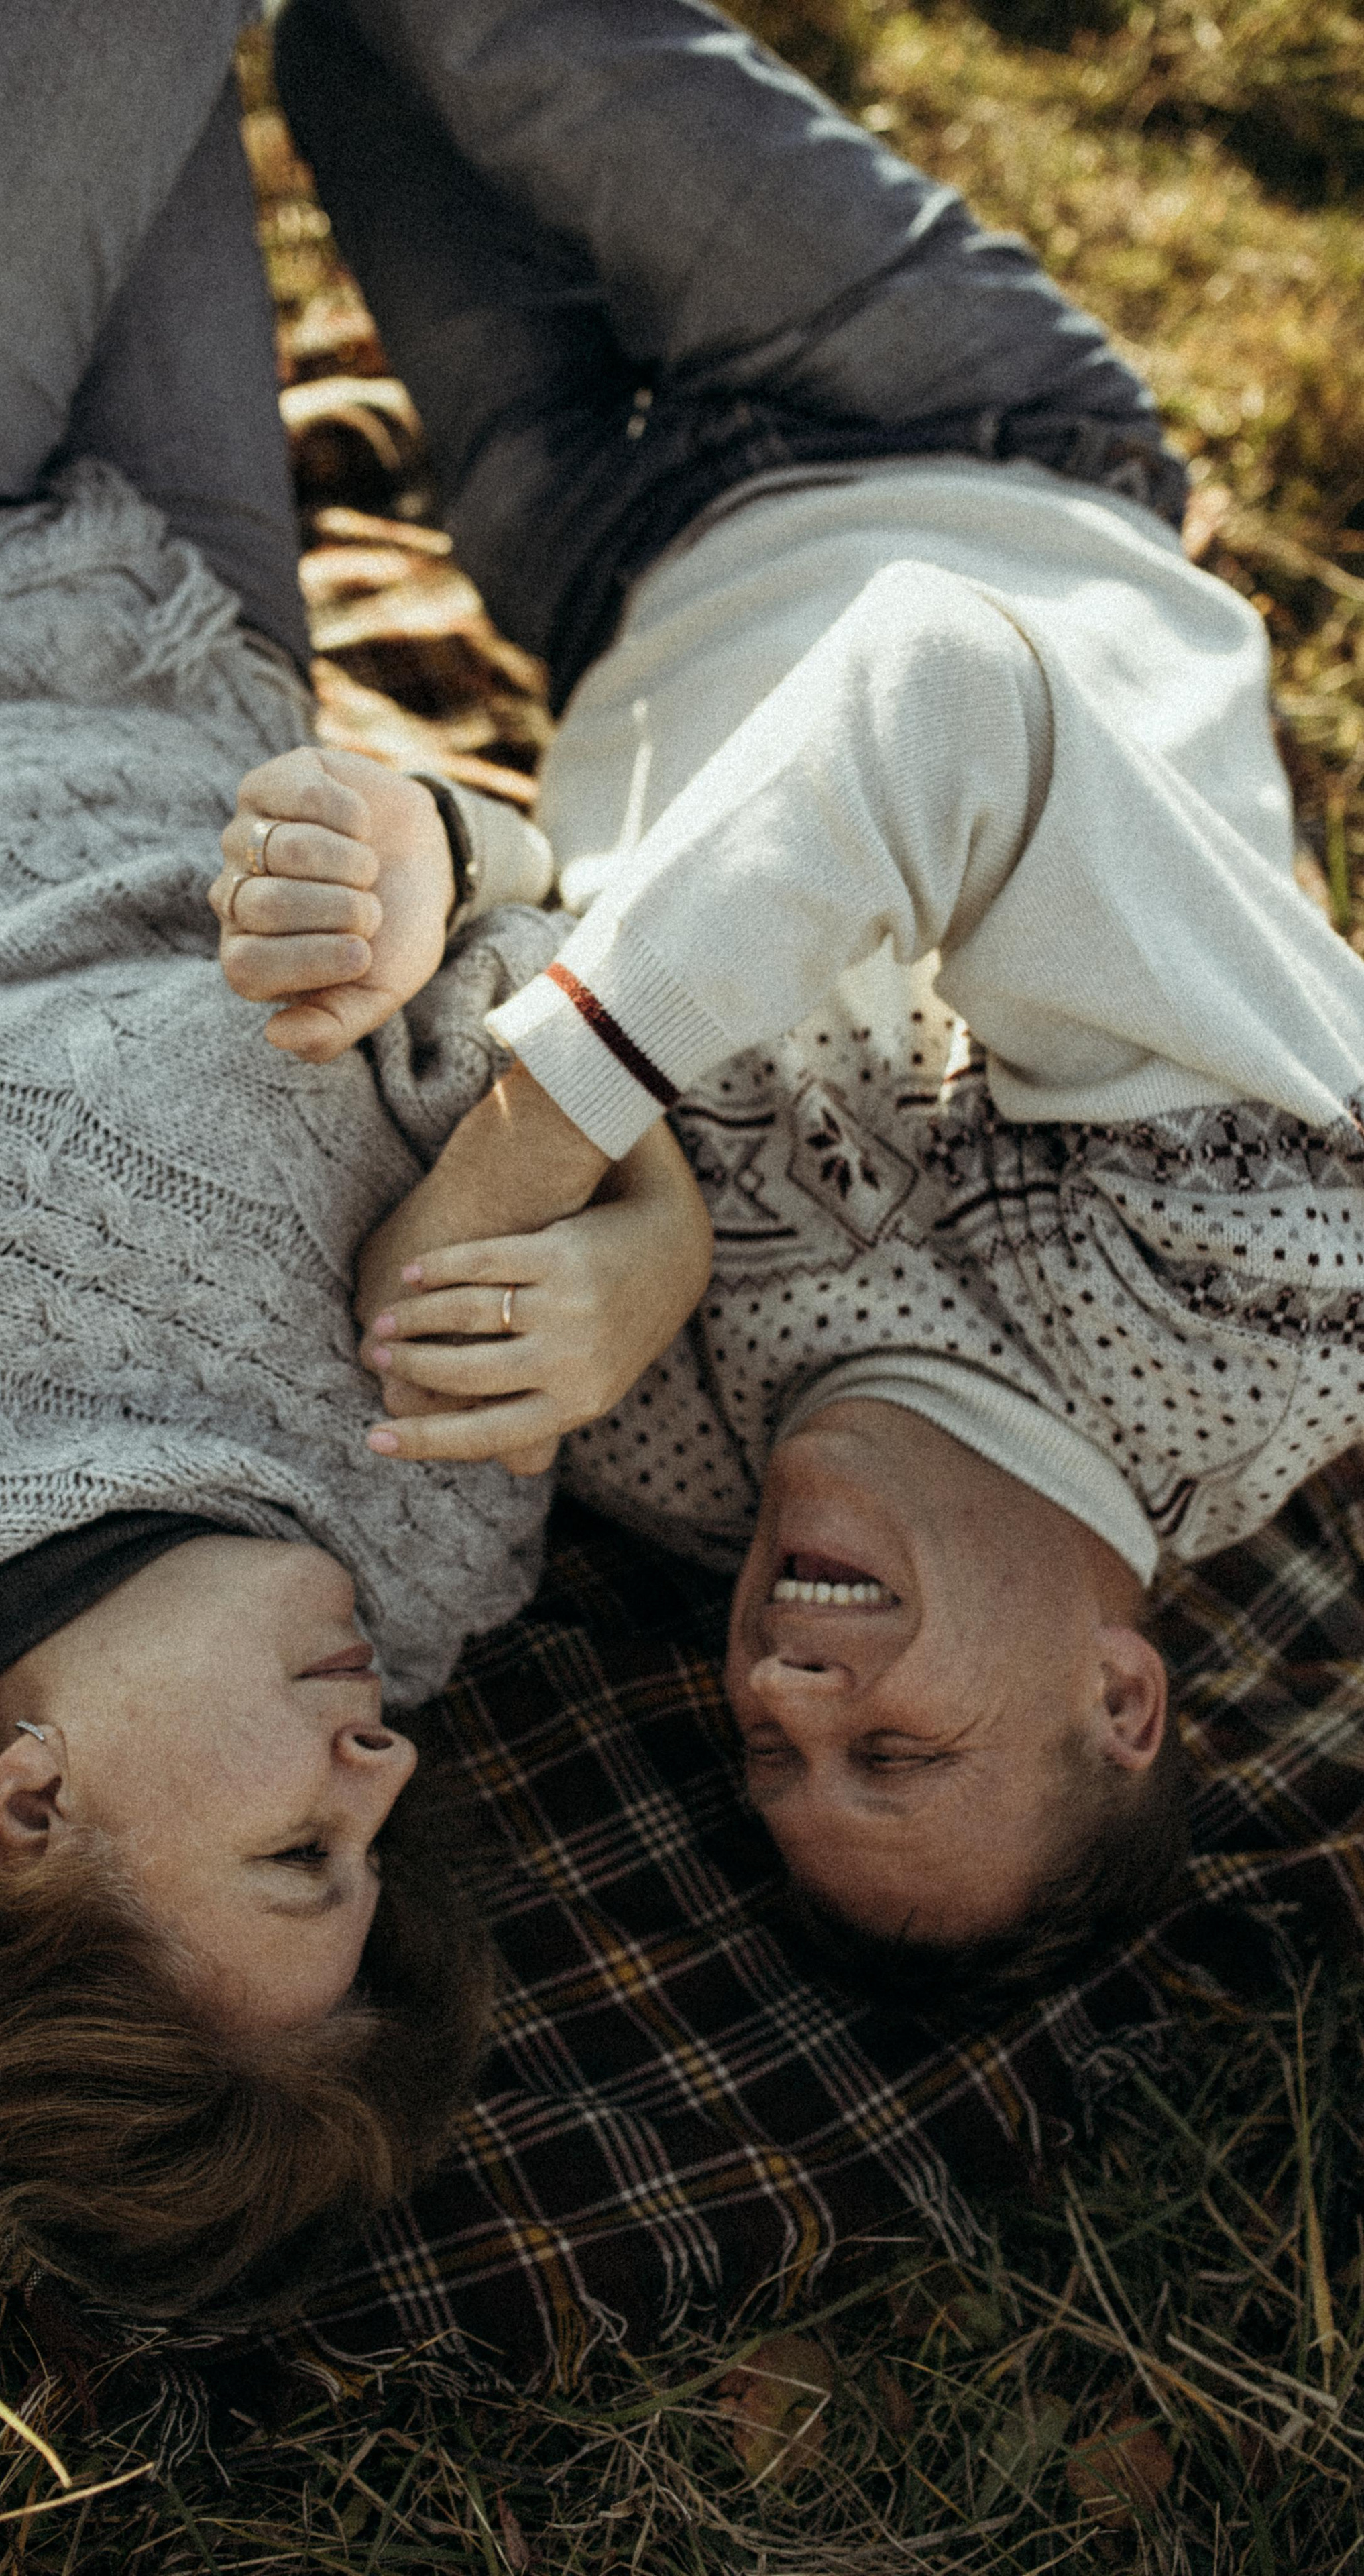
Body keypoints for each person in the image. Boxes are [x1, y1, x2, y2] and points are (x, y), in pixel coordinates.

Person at [0, 0, 710, 2316]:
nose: (389, 1778)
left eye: (299, 1849)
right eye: (377, 1841)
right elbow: (565, 1007)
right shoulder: (428, 1545)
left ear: (28, 1817)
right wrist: (643, 1229)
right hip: (192, 631)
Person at [233, 0, 1364, 2000]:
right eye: (893, 1744)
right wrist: (534, 1156)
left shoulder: (655, 1464)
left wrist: (629, 1215)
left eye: (773, 1751)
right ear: (1125, 1697)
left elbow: (492, 954)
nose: (788, 1682)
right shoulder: (1272, 1299)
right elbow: (943, 695)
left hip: (596, 566)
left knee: (332, 64)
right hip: (959, 431)